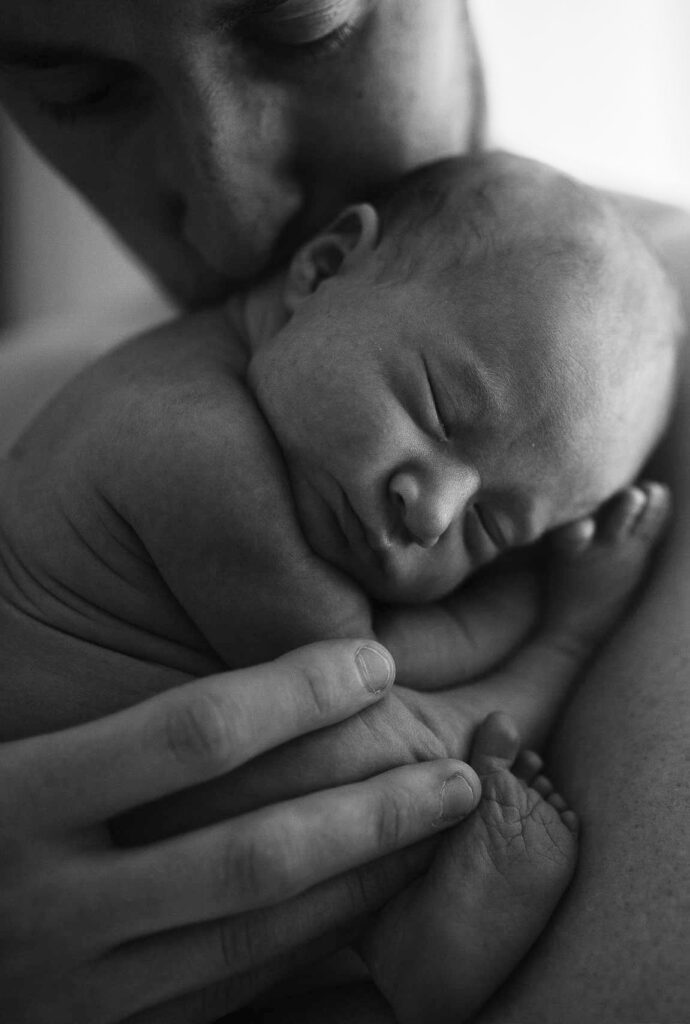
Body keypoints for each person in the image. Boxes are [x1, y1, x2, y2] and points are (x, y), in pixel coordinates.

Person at [0, 1, 688, 1021]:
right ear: (325, 269)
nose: (235, 216)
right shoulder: (180, 440)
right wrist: (559, 613)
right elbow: (361, 672)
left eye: (302, 27)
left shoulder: (587, 389)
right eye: (79, 90)